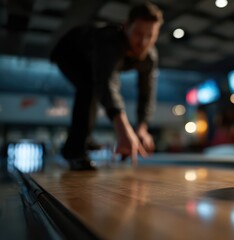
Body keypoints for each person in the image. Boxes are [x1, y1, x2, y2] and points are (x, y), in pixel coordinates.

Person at [50, 2, 163, 170]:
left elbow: (147, 93)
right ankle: (73, 151)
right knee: (89, 87)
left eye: (150, 35)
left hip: (93, 62)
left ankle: (84, 139)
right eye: (138, 34)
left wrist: (141, 128)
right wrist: (123, 130)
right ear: (126, 27)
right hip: (70, 51)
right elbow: (107, 83)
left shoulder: (150, 57)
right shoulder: (109, 41)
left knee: (92, 87)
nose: (144, 42)